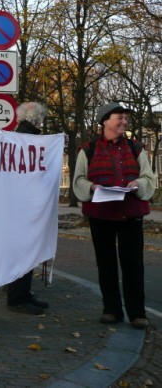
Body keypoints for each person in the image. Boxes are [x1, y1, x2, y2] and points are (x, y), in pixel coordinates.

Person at [73, 102, 155, 329]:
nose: (124, 122)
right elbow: (78, 179)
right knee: (106, 263)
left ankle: (137, 313)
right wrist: (91, 188)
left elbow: (149, 178)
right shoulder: (87, 149)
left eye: (125, 119)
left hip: (131, 214)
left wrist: (137, 183)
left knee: (133, 265)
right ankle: (111, 310)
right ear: (105, 121)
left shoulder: (136, 148)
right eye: (119, 117)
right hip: (101, 215)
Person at [6, 102, 50, 315]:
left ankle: (24, 294)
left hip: (23, 205)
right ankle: (17, 297)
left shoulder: (23, 136)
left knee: (27, 252)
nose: (42, 121)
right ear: (36, 119)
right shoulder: (27, 138)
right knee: (23, 253)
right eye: (41, 118)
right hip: (23, 207)